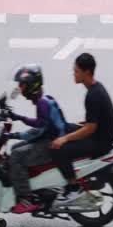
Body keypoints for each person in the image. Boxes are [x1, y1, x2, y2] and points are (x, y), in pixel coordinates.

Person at [50, 51, 113, 209]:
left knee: (58, 149)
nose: (74, 74)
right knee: (64, 128)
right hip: (99, 134)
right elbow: (93, 123)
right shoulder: (96, 88)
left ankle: (73, 188)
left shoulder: (93, 95)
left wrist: (65, 139)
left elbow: (90, 129)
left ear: (86, 72)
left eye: (76, 71)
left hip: (99, 142)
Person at [7, 64, 67, 214]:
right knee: (15, 148)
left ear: (32, 86)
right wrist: (19, 118)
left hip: (51, 144)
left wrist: (14, 135)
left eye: (23, 85)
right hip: (49, 138)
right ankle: (32, 187)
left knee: (16, 155)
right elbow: (39, 124)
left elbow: (38, 131)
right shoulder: (43, 100)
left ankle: (26, 198)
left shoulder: (42, 103)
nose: (20, 89)